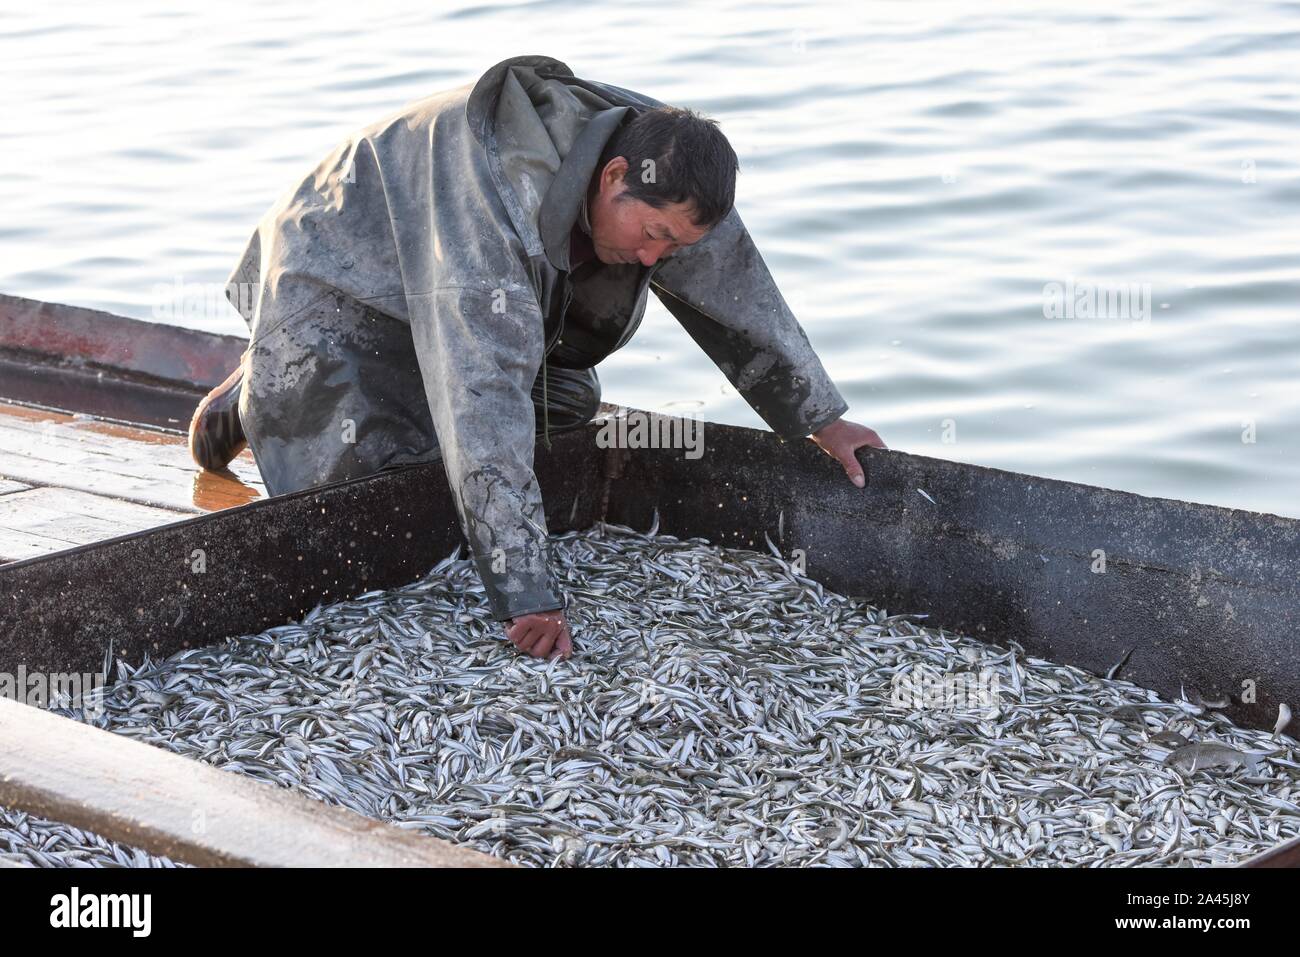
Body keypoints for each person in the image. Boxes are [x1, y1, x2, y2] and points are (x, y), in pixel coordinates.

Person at [189, 55, 886, 662]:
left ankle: (278, 387)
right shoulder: (491, 208)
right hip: (339, 288)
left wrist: (822, 419)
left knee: (566, 407)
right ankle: (269, 383)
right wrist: (526, 591)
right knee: (377, 497)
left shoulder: (662, 164)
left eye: (669, 246)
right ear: (614, 177)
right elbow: (480, 396)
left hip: (437, 295)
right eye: (649, 235)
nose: (653, 258)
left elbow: (737, 288)